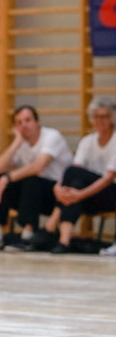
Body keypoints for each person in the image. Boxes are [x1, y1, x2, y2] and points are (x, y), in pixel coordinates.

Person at [0, 105, 72, 251]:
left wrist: (7, 178)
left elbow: (38, 166)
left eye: (27, 120)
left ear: (38, 122)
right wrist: (16, 142)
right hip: (31, 196)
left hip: (58, 196)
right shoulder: (22, 143)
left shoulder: (52, 136)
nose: (23, 125)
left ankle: (28, 235)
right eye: (19, 122)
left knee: (30, 178)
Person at [47, 98, 116, 254]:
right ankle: (64, 241)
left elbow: (108, 179)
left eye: (104, 116)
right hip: (90, 194)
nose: (100, 121)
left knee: (74, 180)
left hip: (111, 193)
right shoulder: (87, 141)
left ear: (111, 118)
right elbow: (73, 172)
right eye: (96, 116)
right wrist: (58, 188)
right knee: (74, 182)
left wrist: (79, 195)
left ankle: (50, 226)